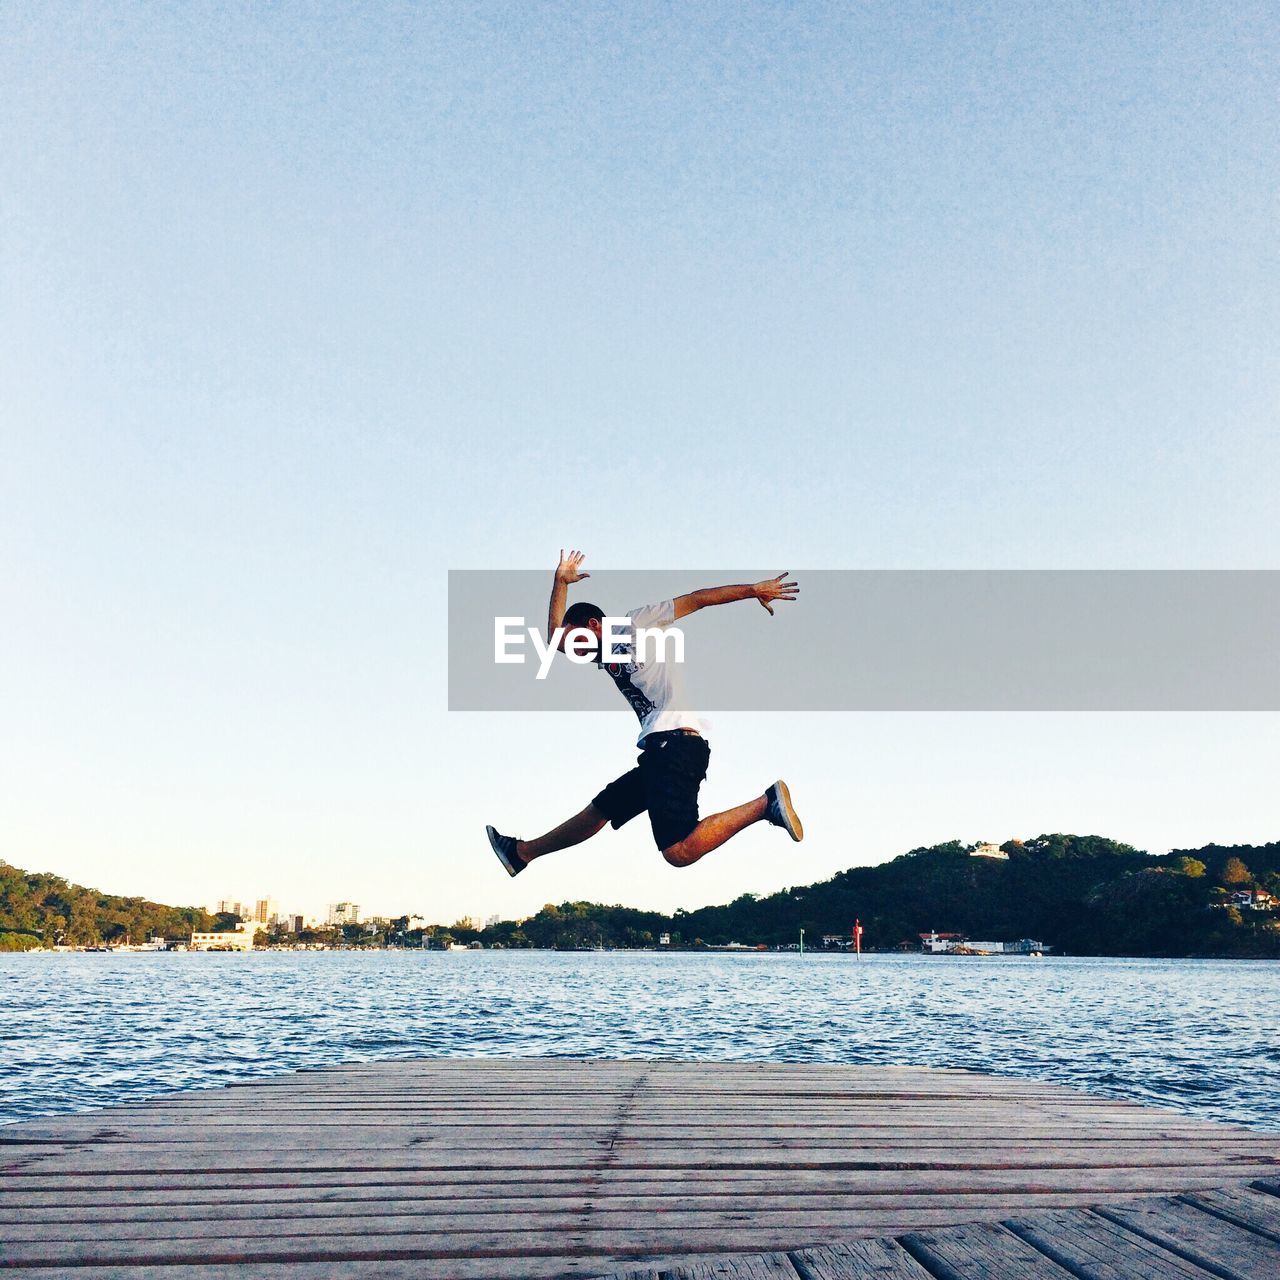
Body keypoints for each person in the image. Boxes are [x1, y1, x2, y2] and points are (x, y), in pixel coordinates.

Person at [487, 550, 803, 876]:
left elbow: (696, 600)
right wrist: (560, 582)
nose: (576, 651)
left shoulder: (636, 624)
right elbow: (553, 638)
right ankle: (520, 853)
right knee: (600, 811)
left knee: (678, 851)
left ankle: (767, 805)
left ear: (594, 625)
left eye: (577, 641)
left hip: (675, 744)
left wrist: (753, 590)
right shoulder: (602, 652)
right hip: (660, 749)